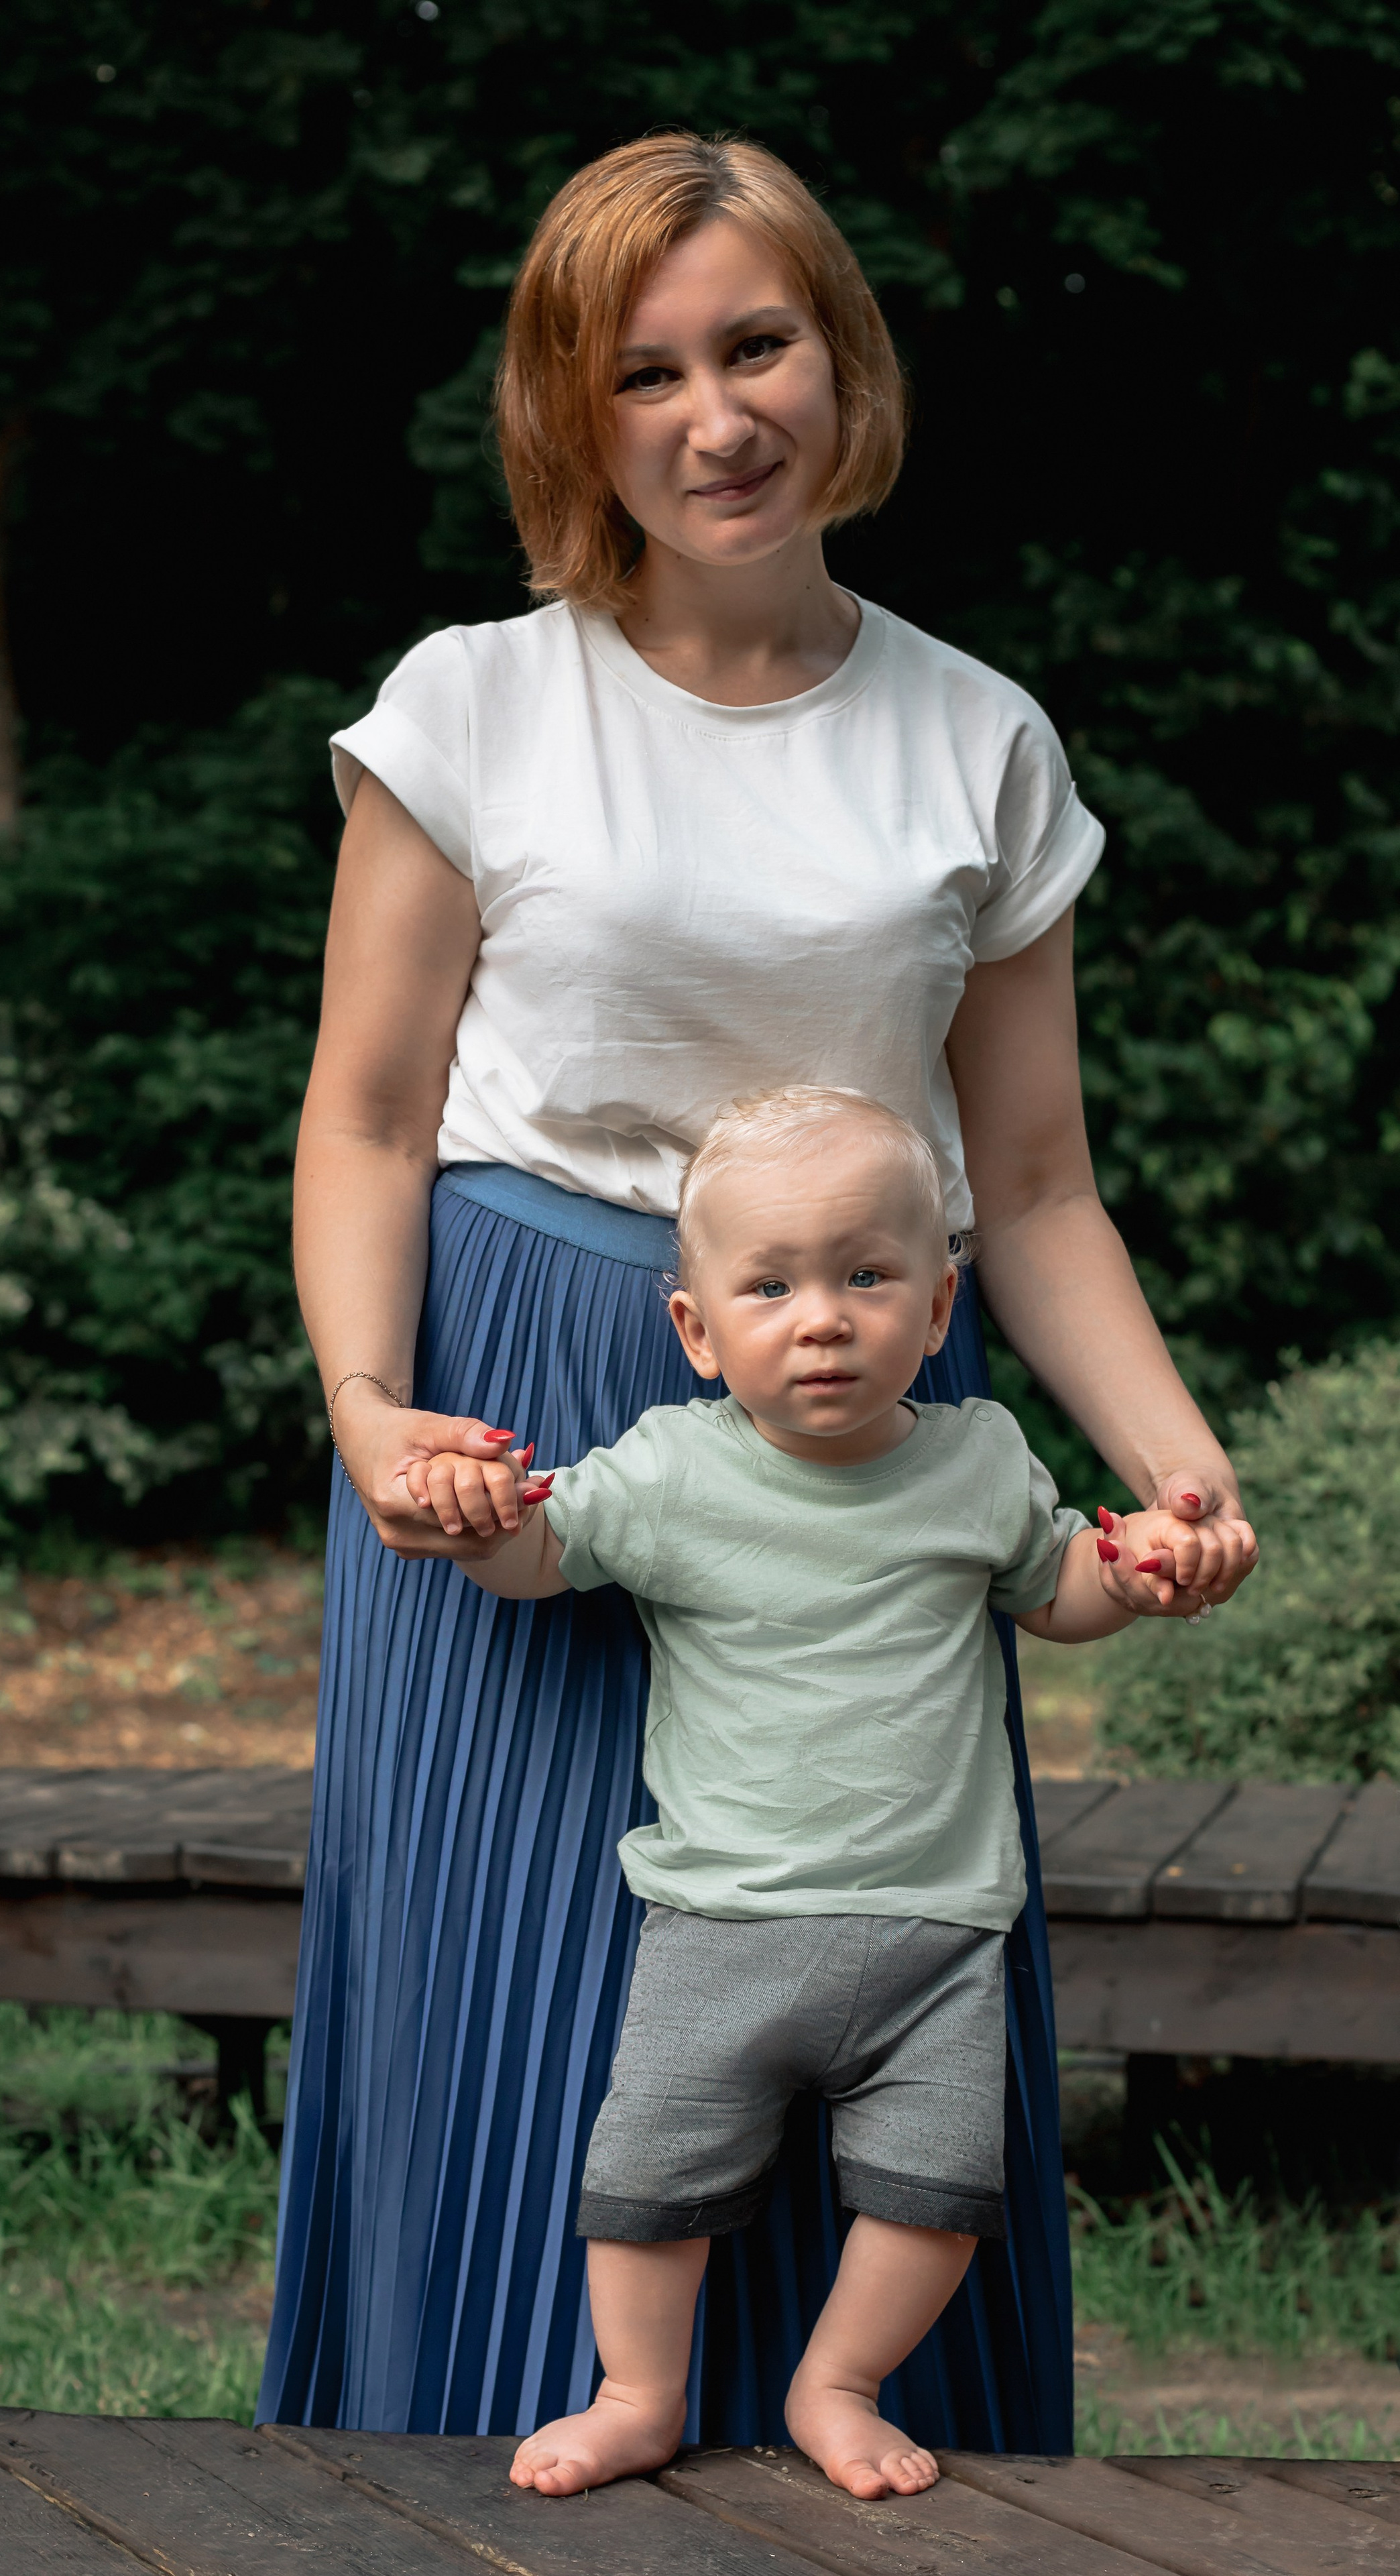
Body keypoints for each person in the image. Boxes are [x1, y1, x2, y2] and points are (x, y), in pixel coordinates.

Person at [261, 129, 1260, 2449]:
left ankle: (871, 2447)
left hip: (863, 1412)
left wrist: (1174, 1463)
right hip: (514, 1412)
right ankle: (459, 2469)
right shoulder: (472, 707)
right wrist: (374, 1405)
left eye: (759, 347)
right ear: (571, 413)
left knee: (874, 1937)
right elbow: (368, 1119)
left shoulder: (977, 734)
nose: (716, 419)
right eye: (646, 374)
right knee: (520, 1988)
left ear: (844, 358)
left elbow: (1034, 1184)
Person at [408, 1085, 1251, 2498]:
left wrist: (1140, 1570)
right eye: (771, 1286)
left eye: (866, 1276)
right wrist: (478, 1516)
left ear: (937, 1306)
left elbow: (1057, 1587)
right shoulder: (672, 1467)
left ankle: (837, 2380)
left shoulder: (977, 1458)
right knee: (646, 2182)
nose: (821, 1319)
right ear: (696, 1330)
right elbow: (539, 1560)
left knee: (936, 2196)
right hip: (722, 1925)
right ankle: (638, 2392)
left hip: (936, 1934)